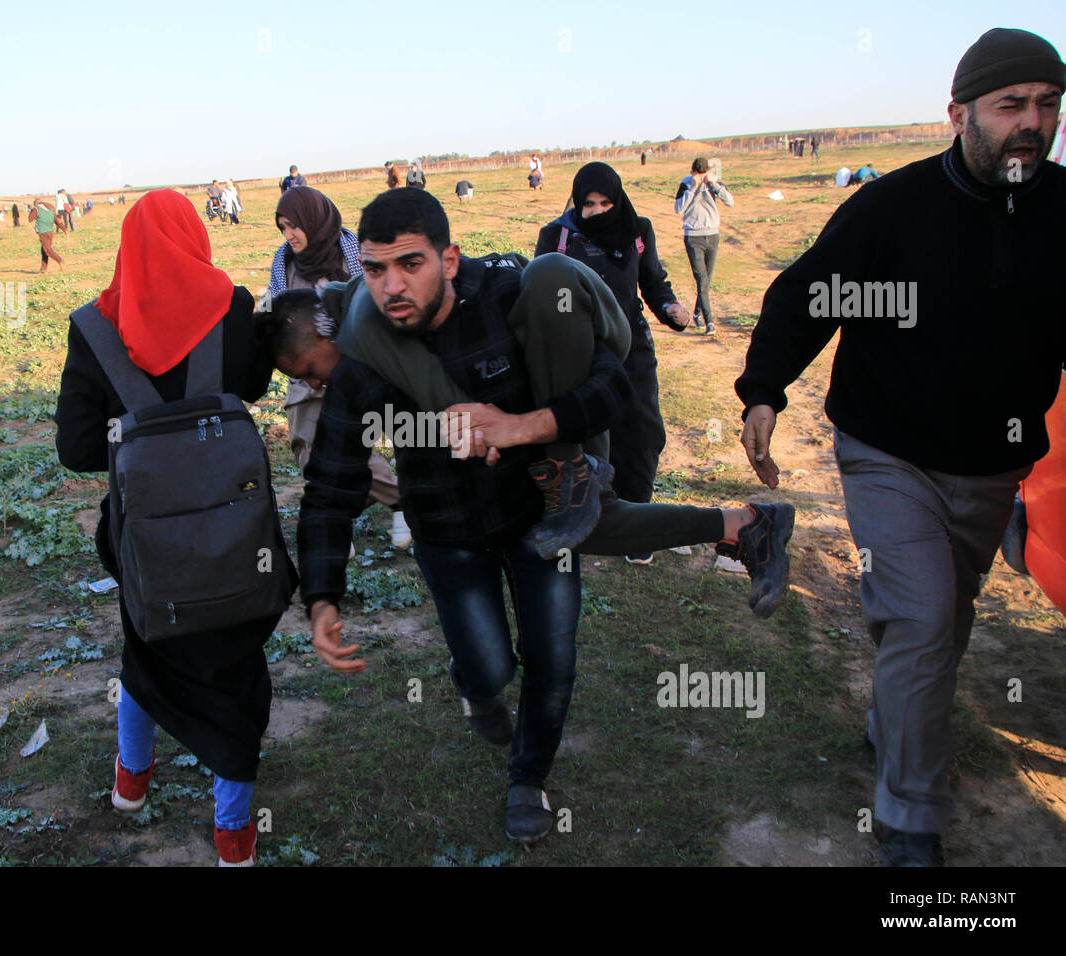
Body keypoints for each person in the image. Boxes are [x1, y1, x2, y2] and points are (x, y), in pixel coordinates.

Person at [295, 189, 793, 844]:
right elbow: (332, 482)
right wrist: (322, 597)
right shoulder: (367, 354)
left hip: (541, 516)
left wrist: (519, 425)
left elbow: (611, 385)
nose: (392, 287)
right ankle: (477, 683)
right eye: (375, 269)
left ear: (448, 257)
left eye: (410, 264)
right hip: (448, 533)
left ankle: (528, 775)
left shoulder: (512, 299)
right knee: (488, 669)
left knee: (552, 664)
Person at [735, 27, 1066, 867]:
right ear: (959, 113)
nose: (1033, 122)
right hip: (887, 451)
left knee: (940, 627)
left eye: (1048, 104)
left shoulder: (1065, 209)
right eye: (1011, 105)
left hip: (994, 464)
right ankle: (911, 822)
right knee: (920, 616)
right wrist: (764, 392)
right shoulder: (895, 207)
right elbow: (809, 295)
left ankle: (895, 723)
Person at [55, 188, 284, 867]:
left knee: (146, 655)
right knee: (236, 677)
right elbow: (258, 386)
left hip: (143, 546)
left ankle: (132, 781)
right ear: (195, 238)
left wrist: (140, 437)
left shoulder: (93, 328)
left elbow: (74, 449)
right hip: (237, 542)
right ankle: (234, 836)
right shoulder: (233, 307)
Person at [536, 163, 692, 561]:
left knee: (643, 434)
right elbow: (538, 290)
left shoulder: (637, 230)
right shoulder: (556, 236)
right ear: (576, 201)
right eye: (589, 204)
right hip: (579, 354)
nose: (599, 211)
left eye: (606, 202)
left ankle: (635, 518)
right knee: (586, 437)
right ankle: (588, 517)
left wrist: (669, 306)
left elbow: (653, 281)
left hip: (632, 350)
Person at [267, 186, 408, 549]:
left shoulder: (354, 251)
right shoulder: (283, 262)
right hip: (311, 364)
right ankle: (340, 511)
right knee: (307, 442)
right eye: (282, 228)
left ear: (314, 220)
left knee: (393, 433)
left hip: (362, 359)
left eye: (293, 226)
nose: (289, 236)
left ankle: (401, 502)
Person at [674, 156, 734, 334]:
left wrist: (714, 185)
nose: (700, 176)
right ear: (691, 172)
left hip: (712, 235)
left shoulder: (713, 182)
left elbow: (730, 202)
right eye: (697, 174)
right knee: (702, 280)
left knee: (706, 280)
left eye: (703, 174)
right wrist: (692, 187)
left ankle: (697, 314)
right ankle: (710, 322)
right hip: (693, 237)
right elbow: (678, 208)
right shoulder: (686, 184)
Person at [29, 197, 64, 272]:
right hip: (50, 232)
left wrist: (32, 210)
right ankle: (43, 268)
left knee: (46, 249)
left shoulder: (36, 209)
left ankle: (60, 260)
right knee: (44, 250)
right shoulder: (50, 209)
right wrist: (64, 229)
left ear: (35, 204)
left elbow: (30, 219)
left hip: (43, 232)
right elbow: (57, 221)